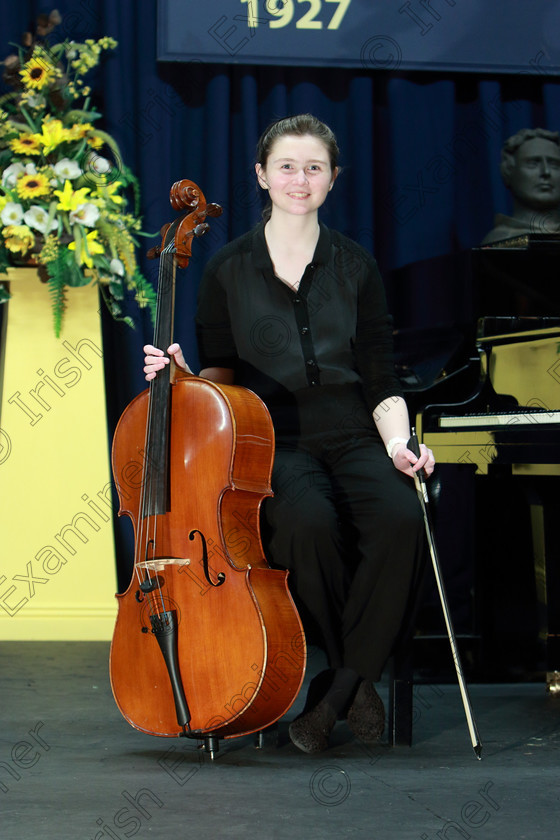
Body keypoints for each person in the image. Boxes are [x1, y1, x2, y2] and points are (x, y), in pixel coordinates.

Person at [143, 114, 434, 754]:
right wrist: (184, 375)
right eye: (286, 166)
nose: (299, 179)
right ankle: (352, 678)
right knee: (305, 524)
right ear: (261, 176)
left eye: (314, 167)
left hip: (357, 431)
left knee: (399, 518)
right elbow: (221, 373)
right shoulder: (226, 268)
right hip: (270, 438)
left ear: (331, 180)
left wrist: (398, 444)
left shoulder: (356, 266)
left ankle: (335, 688)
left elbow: (381, 374)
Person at [482, 128, 560, 244]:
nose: (546, 172)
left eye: (554, 165)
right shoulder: (500, 241)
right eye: (533, 164)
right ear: (508, 171)